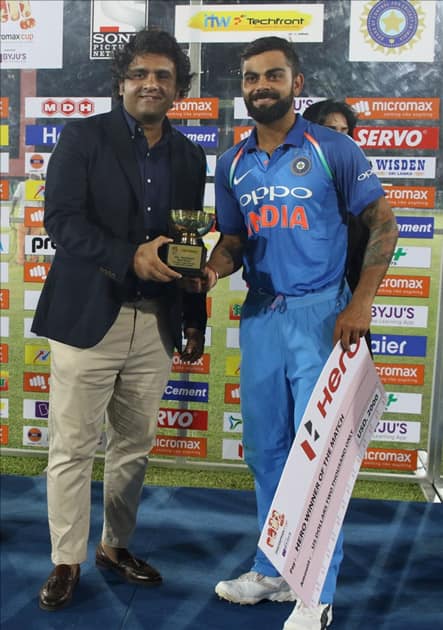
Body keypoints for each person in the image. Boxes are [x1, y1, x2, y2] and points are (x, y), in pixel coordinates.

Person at [188, 37, 398, 629]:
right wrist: (208, 271)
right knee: (266, 453)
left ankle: (315, 593)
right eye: (251, 77)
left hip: (321, 315)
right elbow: (232, 243)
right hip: (260, 316)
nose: (260, 86)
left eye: (273, 75)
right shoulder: (232, 163)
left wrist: (360, 303)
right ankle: (273, 567)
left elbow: (383, 221)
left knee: (318, 457)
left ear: (296, 83)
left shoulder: (334, 149)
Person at [32, 28, 207, 612]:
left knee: (134, 446)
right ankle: (67, 560)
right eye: (139, 74)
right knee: (73, 448)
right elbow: (60, 221)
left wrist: (194, 314)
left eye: (162, 75)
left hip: (155, 322)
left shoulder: (189, 153)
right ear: (122, 82)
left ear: (178, 87)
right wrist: (126, 256)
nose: (150, 83)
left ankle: (114, 546)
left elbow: (189, 244)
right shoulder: (83, 138)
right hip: (88, 316)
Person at [303, 99, 372, 354]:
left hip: (345, 317)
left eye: (346, 133)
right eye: (332, 131)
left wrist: (359, 306)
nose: (342, 140)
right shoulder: (285, 188)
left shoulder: (361, 191)